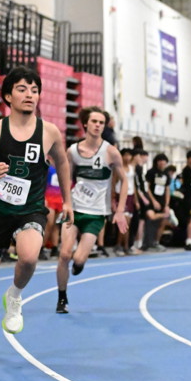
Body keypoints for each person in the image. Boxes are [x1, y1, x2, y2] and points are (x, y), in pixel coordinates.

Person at [0, 66, 72, 357]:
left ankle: (14, 296)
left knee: (28, 258)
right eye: (22, 89)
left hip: (30, 209)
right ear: (8, 96)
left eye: (35, 90)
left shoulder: (49, 132)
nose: (30, 95)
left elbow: (63, 163)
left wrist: (68, 201)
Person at [55, 106, 127, 313]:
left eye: (101, 123)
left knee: (78, 259)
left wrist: (119, 210)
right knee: (64, 254)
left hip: (96, 214)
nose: (97, 125)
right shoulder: (73, 151)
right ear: (85, 124)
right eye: (94, 121)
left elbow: (124, 181)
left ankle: (79, 263)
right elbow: (66, 178)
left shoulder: (111, 152)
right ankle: (62, 297)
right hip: (74, 210)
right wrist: (65, 202)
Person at [143, 154, 172, 250]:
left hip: (162, 201)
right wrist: (153, 201)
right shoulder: (151, 172)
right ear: (156, 162)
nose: (162, 163)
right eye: (160, 160)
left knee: (162, 223)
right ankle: (146, 242)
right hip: (152, 200)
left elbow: (167, 190)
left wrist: (167, 204)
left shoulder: (166, 174)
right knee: (150, 219)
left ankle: (156, 242)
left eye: (164, 161)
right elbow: (147, 188)